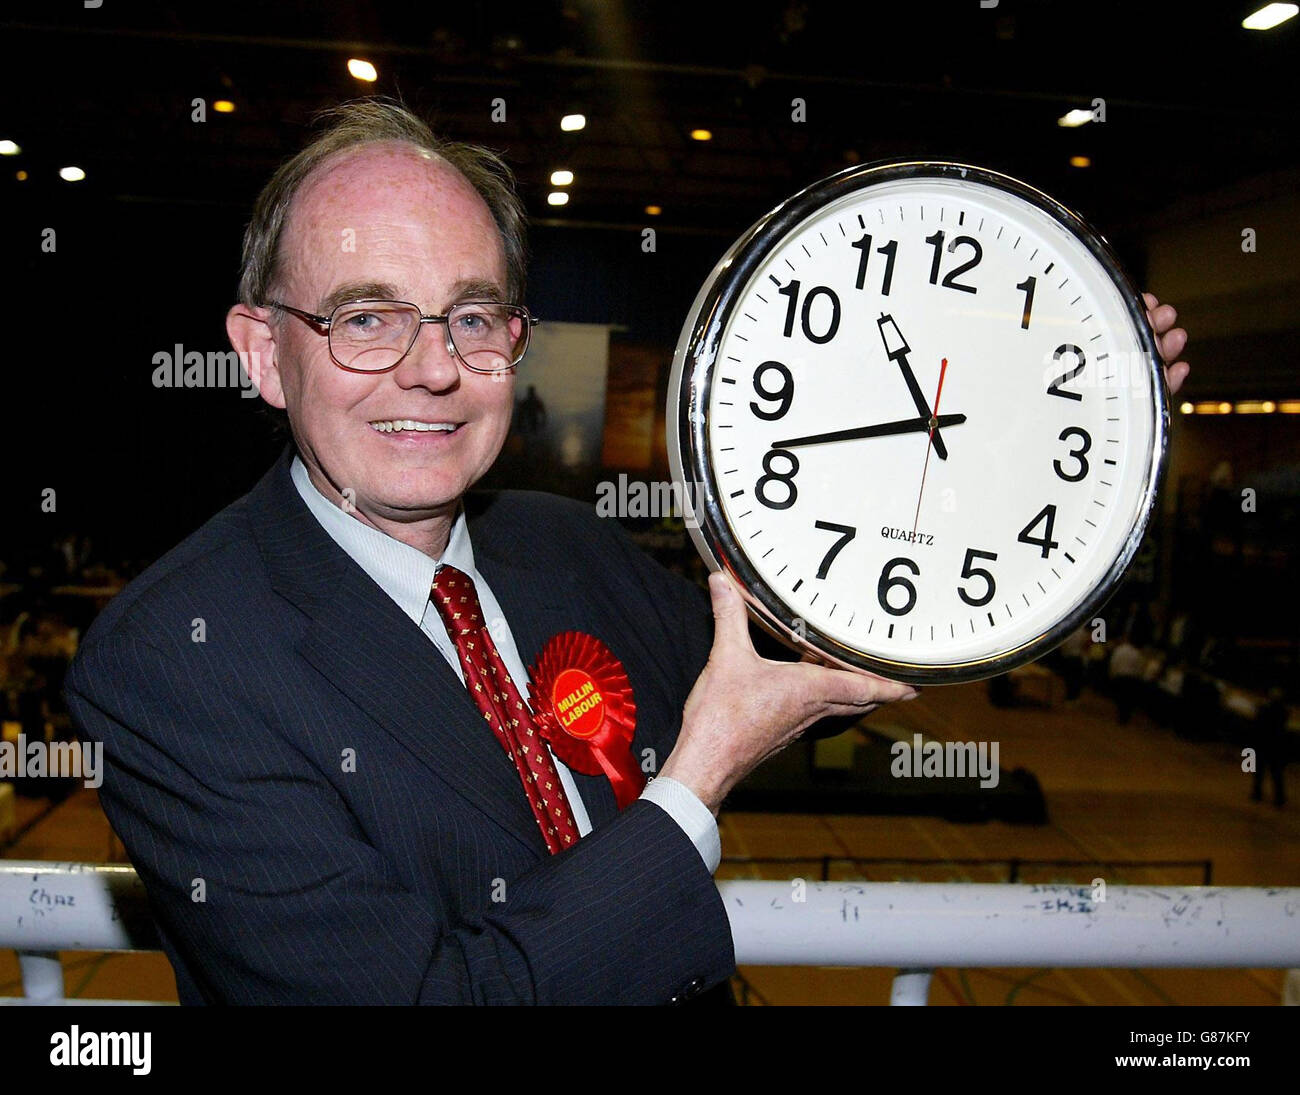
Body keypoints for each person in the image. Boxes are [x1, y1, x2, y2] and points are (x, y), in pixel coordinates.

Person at [63, 99, 1192, 1005]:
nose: (431, 368)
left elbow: (819, 642)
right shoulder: (172, 665)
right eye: (365, 317)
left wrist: (1066, 420)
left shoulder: (558, 545)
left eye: (472, 315)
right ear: (262, 354)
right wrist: (693, 787)